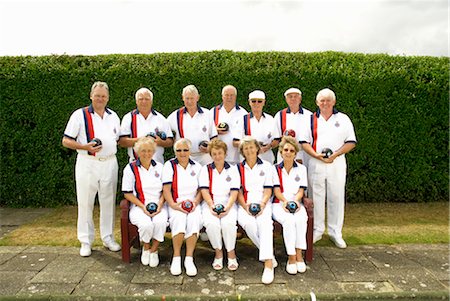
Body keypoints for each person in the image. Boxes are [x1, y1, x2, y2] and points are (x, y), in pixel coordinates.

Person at [62, 81, 121, 257]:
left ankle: (108, 237)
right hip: (88, 163)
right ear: (91, 96)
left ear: (108, 97)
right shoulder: (79, 115)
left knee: (108, 202)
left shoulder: (113, 116)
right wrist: (84, 146)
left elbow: (116, 139)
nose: (100, 99)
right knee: (86, 202)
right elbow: (66, 140)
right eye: (97, 96)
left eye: (103, 96)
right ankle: (86, 241)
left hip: (110, 163)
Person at [300, 88, 357, 249]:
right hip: (316, 162)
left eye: (328, 100)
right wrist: (316, 155)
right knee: (316, 196)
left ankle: (335, 232)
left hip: (336, 163)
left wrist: (336, 154)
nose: (325, 103)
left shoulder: (343, 119)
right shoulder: (310, 119)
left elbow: (351, 141)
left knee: (336, 196)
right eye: (322, 100)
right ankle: (317, 230)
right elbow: (304, 142)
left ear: (334, 102)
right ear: (317, 102)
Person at [122, 137, 167, 267]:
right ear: (137, 152)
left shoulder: (161, 167)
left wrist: (159, 205)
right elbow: (127, 193)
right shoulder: (130, 168)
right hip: (138, 206)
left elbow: (166, 190)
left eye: (149, 151)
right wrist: (143, 207)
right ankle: (146, 247)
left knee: (160, 222)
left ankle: (154, 250)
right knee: (146, 225)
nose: (146, 154)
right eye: (143, 151)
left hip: (160, 205)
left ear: (153, 152)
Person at [236, 136, 276, 284]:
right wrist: (245, 206)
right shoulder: (238, 168)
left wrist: (262, 204)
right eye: (246, 148)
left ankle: (268, 265)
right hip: (244, 204)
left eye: (251, 147)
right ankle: (269, 255)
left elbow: (268, 190)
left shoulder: (267, 166)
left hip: (263, 202)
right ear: (242, 152)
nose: (249, 150)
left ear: (257, 149)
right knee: (249, 225)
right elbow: (238, 191)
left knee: (265, 224)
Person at [162, 138, 202, 276]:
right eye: (179, 150)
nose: (182, 153)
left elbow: (201, 190)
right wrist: (173, 204)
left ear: (190, 151)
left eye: (185, 150)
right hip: (176, 203)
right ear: (175, 152)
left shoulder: (197, 166)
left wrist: (195, 203)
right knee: (178, 220)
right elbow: (166, 189)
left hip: (194, 203)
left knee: (194, 220)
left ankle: (189, 258)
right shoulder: (169, 165)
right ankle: (177, 257)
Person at [199, 140, 240, 271]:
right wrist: (211, 205)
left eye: (220, 153)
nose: (217, 156)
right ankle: (218, 253)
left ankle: (231, 253)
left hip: (229, 203)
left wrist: (228, 207)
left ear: (225, 153)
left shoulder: (233, 170)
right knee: (212, 224)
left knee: (228, 224)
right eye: (214, 153)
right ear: (211, 155)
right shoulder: (206, 169)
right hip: (210, 203)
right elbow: (204, 190)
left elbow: (235, 191)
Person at [272, 136, 309, 275]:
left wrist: (296, 202)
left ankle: (299, 254)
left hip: (296, 202)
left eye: (291, 150)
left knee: (300, 219)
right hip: (279, 203)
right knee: (288, 221)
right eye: (286, 149)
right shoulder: (274, 169)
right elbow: (276, 191)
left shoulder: (301, 169)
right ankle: (291, 257)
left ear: (295, 153)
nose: (288, 152)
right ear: (281, 152)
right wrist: (285, 202)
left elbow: (301, 190)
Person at [119, 87, 174, 165]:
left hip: (157, 164)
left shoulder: (160, 118)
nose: (144, 102)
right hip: (136, 164)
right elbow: (122, 142)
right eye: (141, 99)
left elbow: (170, 141)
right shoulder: (128, 118)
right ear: (136, 101)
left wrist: (159, 142)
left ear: (151, 101)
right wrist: (143, 140)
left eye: (147, 99)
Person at [167, 85, 218, 166]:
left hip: (205, 158)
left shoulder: (207, 114)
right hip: (184, 158)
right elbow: (166, 133)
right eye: (187, 98)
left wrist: (210, 148)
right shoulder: (175, 116)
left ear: (197, 98)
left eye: (192, 98)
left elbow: (214, 137)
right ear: (183, 98)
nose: (189, 101)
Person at [233, 90, 278, 164]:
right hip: (247, 160)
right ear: (249, 102)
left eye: (259, 101)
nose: (256, 104)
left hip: (267, 159)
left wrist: (268, 146)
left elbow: (277, 140)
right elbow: (235, 142)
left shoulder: (270, 119)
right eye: (253, 101)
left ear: (264, 102)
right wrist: (251, 146)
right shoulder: (242, 119)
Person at [274, 88, 312, 165]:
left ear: (300, 99)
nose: (293, 99)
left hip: (303, 153)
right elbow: (276, 137)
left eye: (296, 96)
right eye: (290, 97)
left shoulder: (309, 115)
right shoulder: (280, 115)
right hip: (285, 153)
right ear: (286, 99)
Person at [211, 85, 247, 165]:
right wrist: (215, 130)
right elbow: (207, 132)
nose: (229, 98)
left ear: (235, 97)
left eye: (232, 95)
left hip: (237, 158)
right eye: (226, 95)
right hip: (217, 158)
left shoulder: (243, 113)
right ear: (222, 96)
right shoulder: (213, 112)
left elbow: (247, 134)